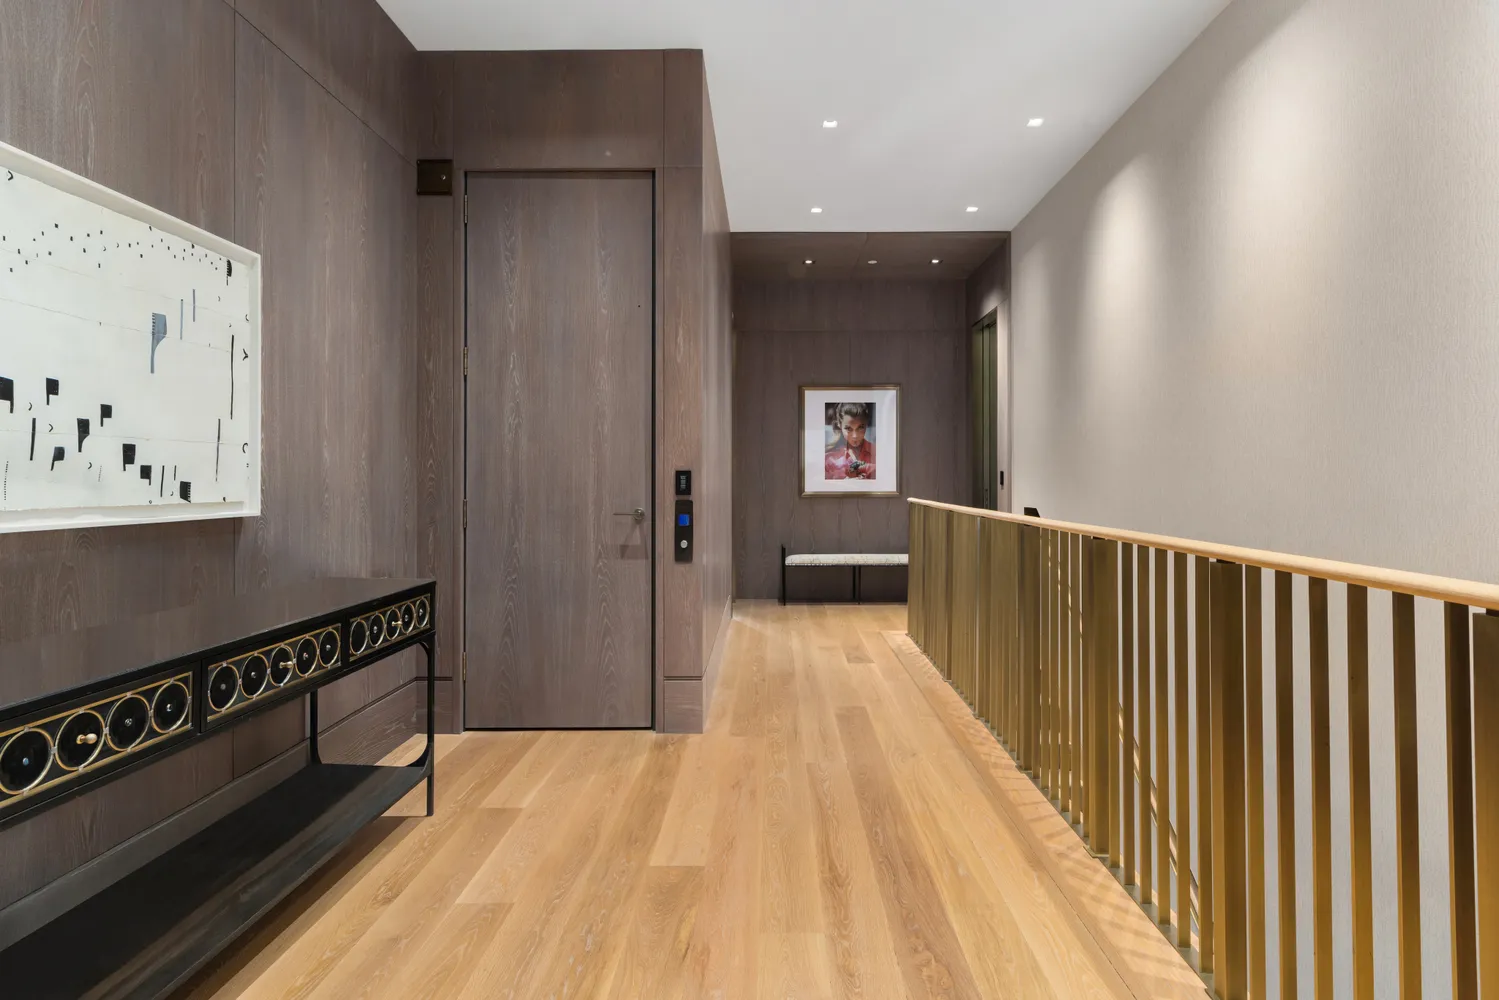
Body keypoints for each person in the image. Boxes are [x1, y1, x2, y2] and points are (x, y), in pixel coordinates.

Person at [824, 402, 876, 480]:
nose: (855, 436)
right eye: (848, 429)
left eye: (861, 427)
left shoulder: (879, 453)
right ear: (839, 425)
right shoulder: (829, 458)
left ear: (866, 424)